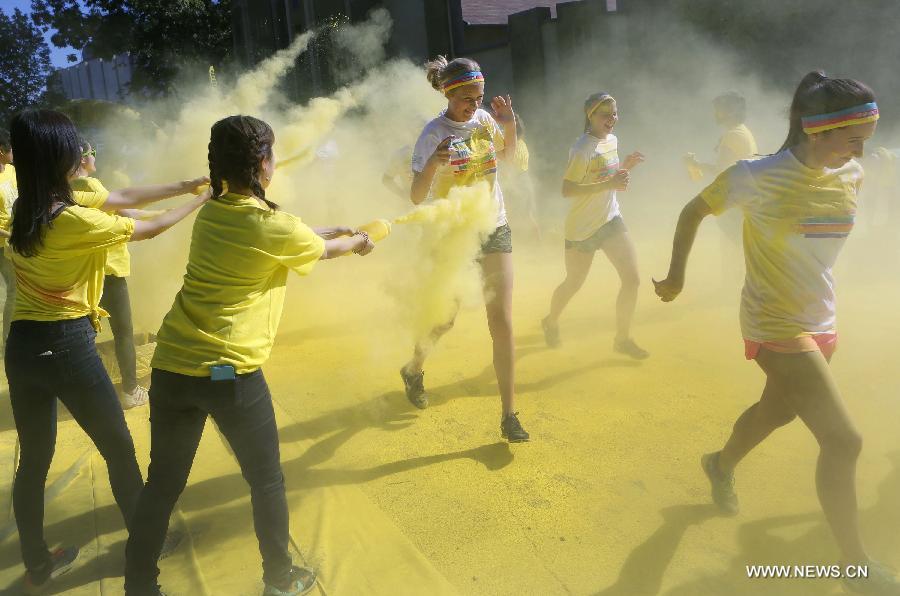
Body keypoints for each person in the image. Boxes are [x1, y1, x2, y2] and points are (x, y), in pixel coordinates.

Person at [653, 72, 899, 594]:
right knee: (844, 441)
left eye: (866, 142)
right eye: (853, 139)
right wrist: (676, 275)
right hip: (773, 321)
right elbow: (693, 209)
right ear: (818, 130)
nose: (860, 150)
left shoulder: (852, 173)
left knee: (779, 410)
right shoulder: (756, 174)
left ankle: (719, 465)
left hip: (821, 319)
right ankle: (854, 566)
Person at [123, 115, 375, 596]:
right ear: (262, 163)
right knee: (266, 481)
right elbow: (324, 249)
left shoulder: (214, 211)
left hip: (172, 367)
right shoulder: (269, 223)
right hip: (229, 374)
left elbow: (285, 236)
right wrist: (361, 239)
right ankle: (279, 579)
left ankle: (139, 586)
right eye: (272, 156)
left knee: (162, 484)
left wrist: (331, 229)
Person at [5, 109, 207, 595]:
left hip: (22, 346)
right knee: (118, 447)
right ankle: (147, 546)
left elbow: (123, 197)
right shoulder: (70, 219)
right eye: (76, 146)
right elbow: (151, 226)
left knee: (33, 459)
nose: (83, 152)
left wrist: (186, 183)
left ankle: (37, 560)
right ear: (60, 157)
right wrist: (202, 199)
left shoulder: (25, 208)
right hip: (66, 346)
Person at [399, 55, 529, 442]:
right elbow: (415, 196)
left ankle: (509, 415)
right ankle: (413, 368)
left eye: (479, 97)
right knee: (444, 319)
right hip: (453, 233)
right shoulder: (432, 133)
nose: (474, 105)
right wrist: (431, 167)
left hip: (493, 225)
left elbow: (506, 158)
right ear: (449, 92)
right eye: (467, 98)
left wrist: (507, 124)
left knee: (502, 321)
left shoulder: (486, 121)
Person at [72, 138, 200, 408]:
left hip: (87, 270)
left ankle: (85, 392)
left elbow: (129, 210)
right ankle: (130, 390)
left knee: (86, 332)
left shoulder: (69, 188)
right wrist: (190, 200)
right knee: (123, 332)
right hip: (109, 270)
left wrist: (167, 211)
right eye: (93, 152)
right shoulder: (90, 185)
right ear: (82, 159)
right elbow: (129, 209)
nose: (96, 157)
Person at [542, 93, 648, 358]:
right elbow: (567, 190)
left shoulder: (612, 140)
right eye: (605, 114)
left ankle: (622, 339)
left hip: (610, 219)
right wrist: (610, 184)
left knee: (632, 280)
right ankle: (551, 321)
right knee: (574, 283)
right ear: (590, 116)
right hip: (582, 228)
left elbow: (607, 177)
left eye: (614, 113)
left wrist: (625, 168)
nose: (611, 119)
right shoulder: (581, 149)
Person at [0, 129, 17, 352]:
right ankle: (9, 341)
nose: (14, 152)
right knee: (14, 289)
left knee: (17, 289)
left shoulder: (12, 171)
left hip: (16, 239)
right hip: (3, 242)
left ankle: (11, 338)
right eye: (11, 149)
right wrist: (9, 235)